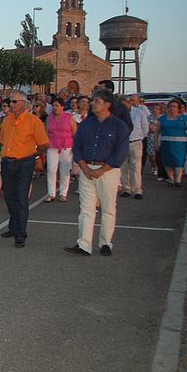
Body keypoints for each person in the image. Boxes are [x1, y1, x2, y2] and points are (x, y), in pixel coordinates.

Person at [65, 89, 130, 256]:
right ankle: (84, 244)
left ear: (107, 104)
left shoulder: (119, 126)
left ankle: (105, 243)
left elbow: (120, 152)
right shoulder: (86, 124)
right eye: (92, 100)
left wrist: (103, 169)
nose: (92, 104)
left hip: (108, 171)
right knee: (86, 208)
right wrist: (84, 167)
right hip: (87, 169)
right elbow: (77, 147)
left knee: (108, 208)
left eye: (96, 101)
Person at [0, 91, 49, 248]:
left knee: (21, 197)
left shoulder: (33, 121)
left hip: (24, 163)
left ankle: (21, 233)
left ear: (23, 103)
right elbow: (2, 140)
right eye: (10, 101)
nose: (11, 104)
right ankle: (14, 226)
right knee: (9, 196)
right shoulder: (7, 120)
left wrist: (33, 155)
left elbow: (44, 144)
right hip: (8, 162)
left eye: (14, 102)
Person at [45, 98, 78, 203]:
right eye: (53, 106)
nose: (55, 108)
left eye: (57, 105)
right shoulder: (49, 118)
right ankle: (51, 193)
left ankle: (63, 193)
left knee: (64, 170)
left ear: (62, 107)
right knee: (51, 169)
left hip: (66, 146)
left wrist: (76, 147)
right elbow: (46, 132)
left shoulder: (69, 117)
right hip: (52, 146)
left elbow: (75, 132)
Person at [120, 95, 149, 199]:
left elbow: (145, 128)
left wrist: (139, 138)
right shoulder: (119, 114)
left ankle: (137, 190)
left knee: (135, 167)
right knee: (123, 167)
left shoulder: (139, 113)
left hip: (135, 142)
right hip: (122, 143)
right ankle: (126, 189)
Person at [155, 98, 187, 187]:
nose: (172, 108)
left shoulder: (184, 118)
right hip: (166, 143)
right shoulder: (162, 118)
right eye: (171, 106)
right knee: (167, 161)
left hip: (180, 144)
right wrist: (156, 144)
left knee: (179, 161)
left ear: (178, 108)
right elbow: (157, 132)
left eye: (174, 106)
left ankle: (178, 180)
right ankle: (171, 179)